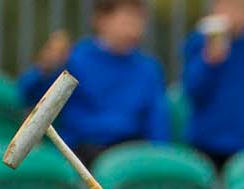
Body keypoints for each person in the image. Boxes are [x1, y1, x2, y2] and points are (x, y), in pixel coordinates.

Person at [19, 0, 170, 164]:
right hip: (83, 150)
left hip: (130, 151)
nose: (134, 28)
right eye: (126, 20)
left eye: (139, 19)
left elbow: (157, 123)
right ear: (100, 20)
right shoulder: (74, 59)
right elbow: (30, 95)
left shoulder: (148, 68)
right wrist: (45, 69)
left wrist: (158, 157)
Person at [181, 0, 244, 170]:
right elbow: (192, 91)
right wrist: (208, 62)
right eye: (226, 5)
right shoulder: (200, 41)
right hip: (207, 142)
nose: (233, 13)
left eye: (240, 7)